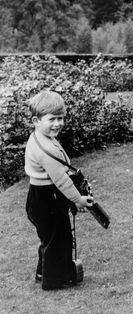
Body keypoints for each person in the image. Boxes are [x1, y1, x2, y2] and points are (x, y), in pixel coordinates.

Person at [25, 91, 93, 290]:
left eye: (61, 118)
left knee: (50, 237)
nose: (58, 123)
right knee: (58, 240)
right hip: (48, 198)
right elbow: (62, 181)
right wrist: (78, 199)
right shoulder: (48, 150)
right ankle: (53, 281)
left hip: (38, 197)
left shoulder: (38, 136)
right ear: (36, 120)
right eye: (52, 119)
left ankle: (42, 272)